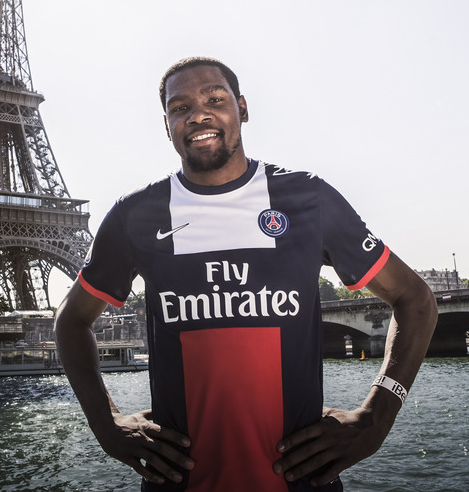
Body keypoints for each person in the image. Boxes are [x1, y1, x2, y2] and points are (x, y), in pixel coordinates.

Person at [55, 57, 437, 491]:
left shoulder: (307, 197)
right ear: (167, 125)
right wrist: (105, 423)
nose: (198, 114)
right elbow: (71, 319)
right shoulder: (136, 215)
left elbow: (416, 299)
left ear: (243, 108)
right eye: (180, 108)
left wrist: (378, 414)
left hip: (302, 481)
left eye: (214, 99)